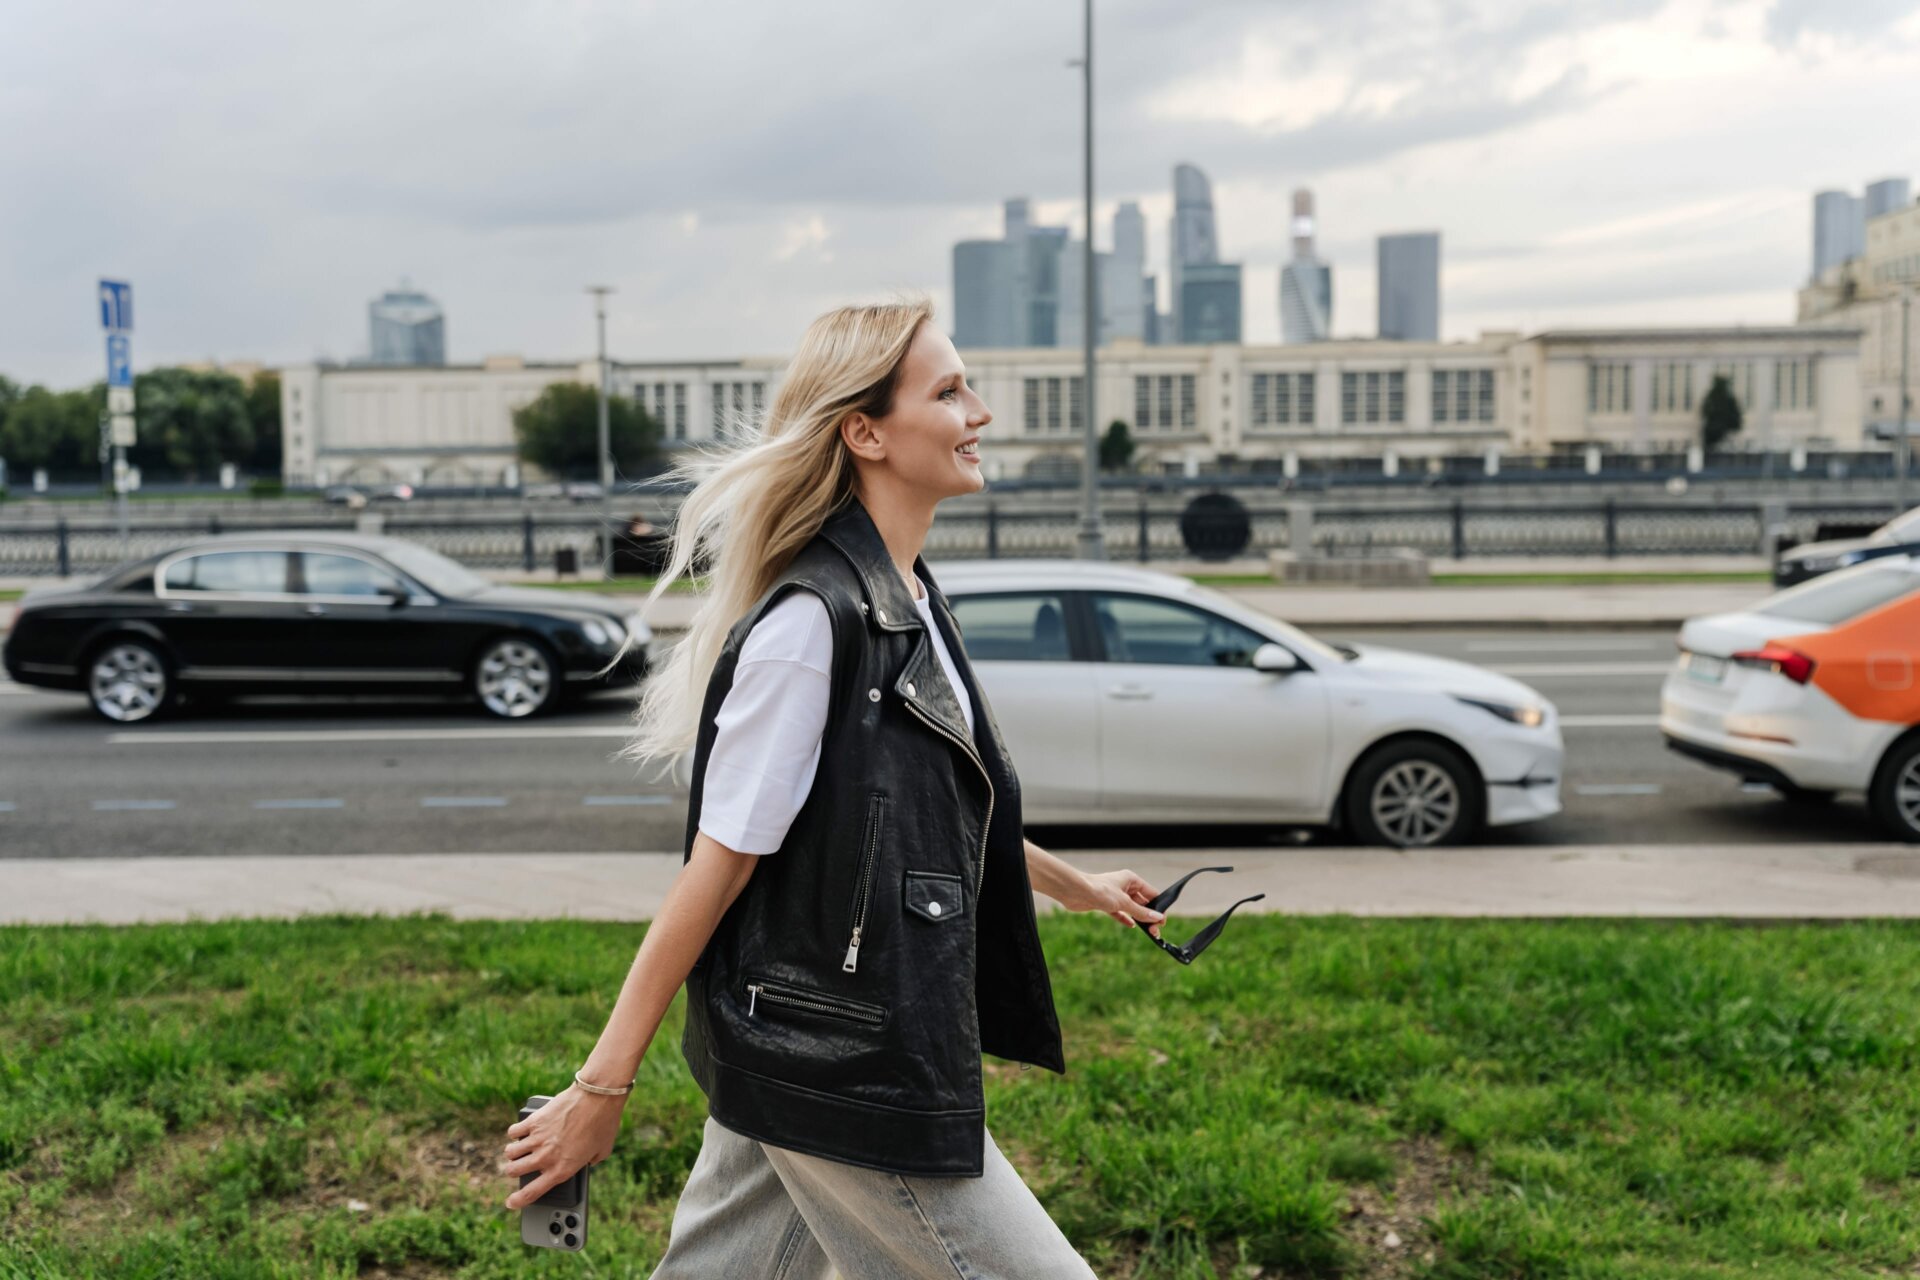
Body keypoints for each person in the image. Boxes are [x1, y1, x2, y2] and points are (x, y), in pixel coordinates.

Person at [500, 296, 1168, 1278]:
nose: (979, 412)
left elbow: (933, 810)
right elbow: (716, 870)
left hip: (807, 1037)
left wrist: (1079, 887)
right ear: (866, 431)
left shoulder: (910, 596)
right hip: (848, 1061)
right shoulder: (813, 625)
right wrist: (600, 1088)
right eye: (949, 391)